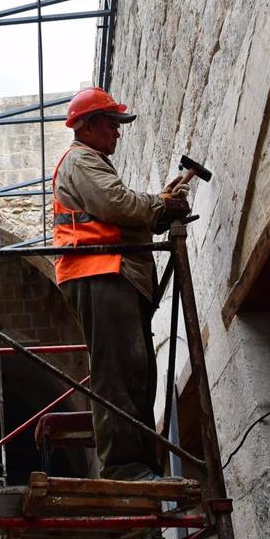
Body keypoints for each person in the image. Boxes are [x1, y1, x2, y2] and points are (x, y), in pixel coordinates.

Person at [53, 87, 190, 481]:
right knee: (117, 373)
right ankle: (125, 468)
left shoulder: (92, 162)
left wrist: (158, 211)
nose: (118, 132)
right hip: (97, 273)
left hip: (112, 273)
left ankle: (141, 465)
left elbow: (121, 217)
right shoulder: (81, 161)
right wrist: (159, 205)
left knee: (134, 371)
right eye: (112, 125)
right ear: (89, 126)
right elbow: (118, 204)